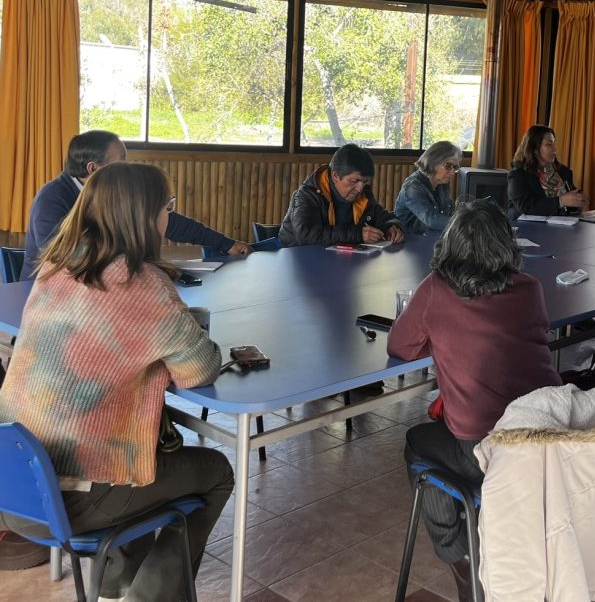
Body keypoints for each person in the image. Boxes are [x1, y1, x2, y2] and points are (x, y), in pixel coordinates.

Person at [0, 163, 234, 602]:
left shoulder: (54, 268)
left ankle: (113, 585)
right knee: (216, 472)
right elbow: (199, 371)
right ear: (145, 216)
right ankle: (149, 596)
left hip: (15, 486)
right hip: (74, 498)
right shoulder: (145, 285)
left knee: (128, 458)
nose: (169, 216)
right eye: (167, 207)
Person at [387, 199, 562, 602]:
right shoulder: (530, 287)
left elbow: (401, 346)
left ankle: (462, 564)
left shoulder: (435, 289)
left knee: (419, 442)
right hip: (548, 433)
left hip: (486, 445)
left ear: (450, 245)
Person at [21, 130, 251, 280]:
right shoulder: (51, 198)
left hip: (100, 288)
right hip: (49, 297)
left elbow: (165, 219)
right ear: (93, 169)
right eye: (121, 160)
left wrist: (226, 243)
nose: (127, 166)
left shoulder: (113, 192)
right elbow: (62, 257)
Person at [279, 143, 405, 247]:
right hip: (298, 262)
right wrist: (358, 235)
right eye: (354, 181)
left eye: (365, 181)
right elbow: (306, 235)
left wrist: (391, 226)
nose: (360, 188)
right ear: (335, 176)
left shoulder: (364, 196)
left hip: (338, 263)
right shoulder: (308, 195)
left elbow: (384, 216)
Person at [507, 125, 587, 218]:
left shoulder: (563, 171)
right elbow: (526, 206)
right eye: (549, 144)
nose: (555, 149)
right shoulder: (517, 175)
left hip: (559, 227)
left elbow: (570, 206)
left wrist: (578, 200)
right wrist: (561, 201)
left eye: (554, 144)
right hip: (525, 228)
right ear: (535, 149)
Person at [394, 140, 462, 234]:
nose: (452, 172)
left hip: (430, 238)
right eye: (448, 166)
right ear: (433, 162)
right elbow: (431, 219)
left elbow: (449, 212)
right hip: (408, 241)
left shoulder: (442, 183)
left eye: (455, 168)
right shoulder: (413, 186)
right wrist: (464, 223)